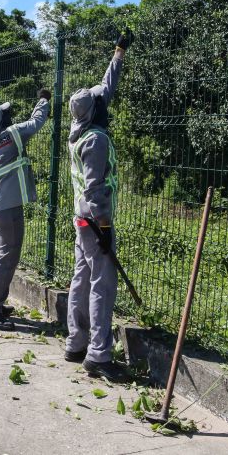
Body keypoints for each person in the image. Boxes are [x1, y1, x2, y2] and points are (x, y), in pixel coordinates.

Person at [64, 30, 133, 382]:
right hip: (94, 220)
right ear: (94, 112)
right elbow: (95, 189)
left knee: (81, 278)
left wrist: (118, 54)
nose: (104, 99)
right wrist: (105, 227)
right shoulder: (97, 140)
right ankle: (99, 354)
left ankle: (75, 343)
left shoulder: (78, 132)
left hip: (80, 219)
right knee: (102, 286)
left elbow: (103, 91)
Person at [0, 92, 50, 330]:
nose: (9, 115)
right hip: (8, 208)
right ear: (0, 121)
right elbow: (37, 121)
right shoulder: (14, 134)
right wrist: (43, 100)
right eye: (5, 113)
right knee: (7, 256)